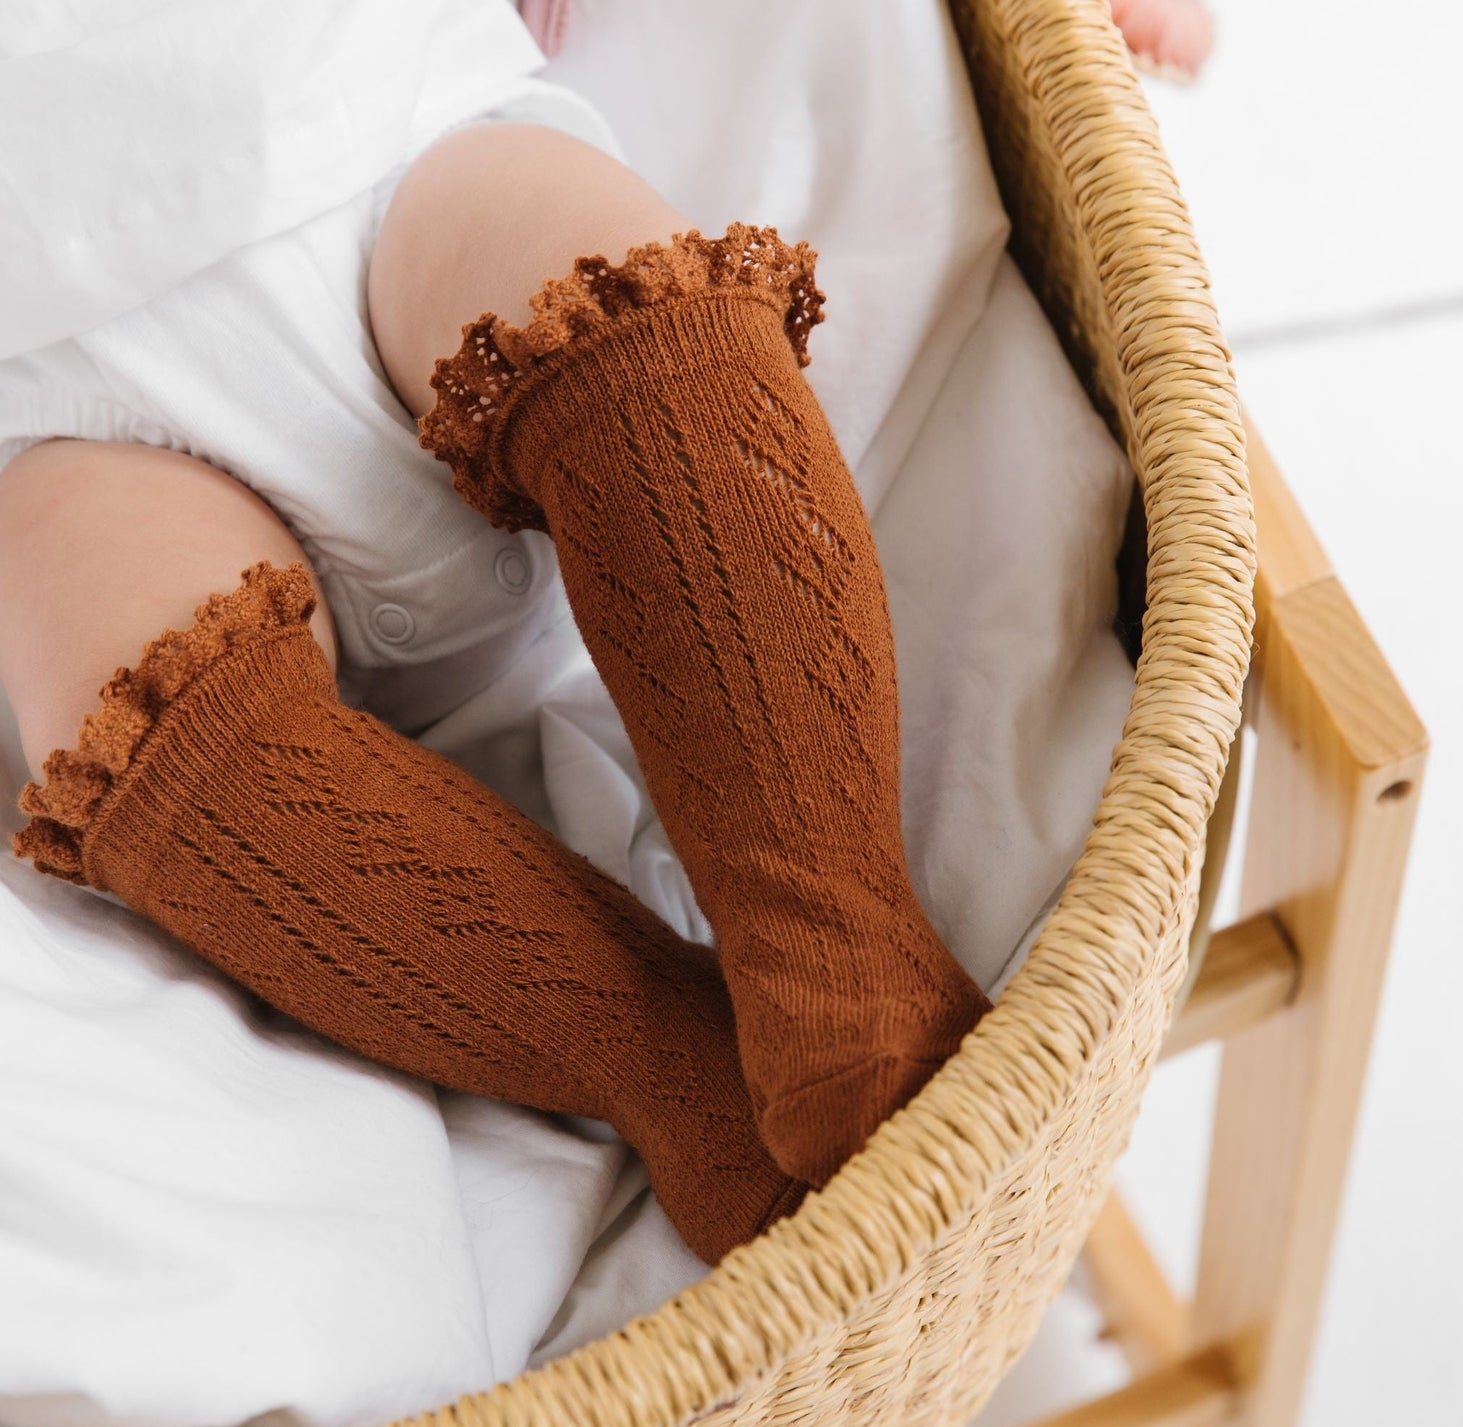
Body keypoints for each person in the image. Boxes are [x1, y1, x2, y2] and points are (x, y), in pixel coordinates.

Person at [0, 3, 987, 1266]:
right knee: (126, 701)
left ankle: (840, 945)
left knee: (628, 304)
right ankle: (669, 1058)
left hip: (372, 137)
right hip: (65, 395)